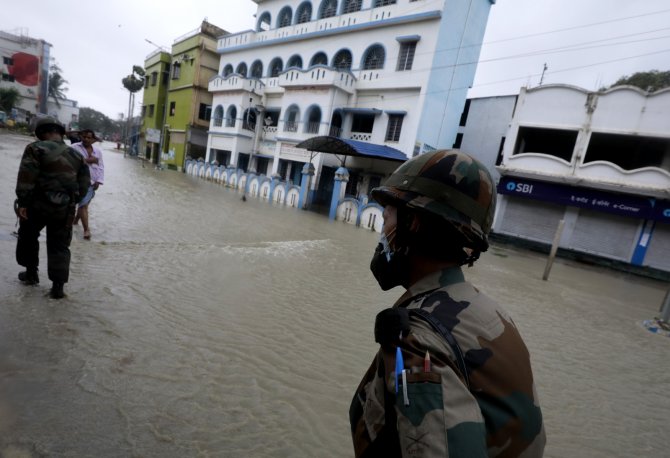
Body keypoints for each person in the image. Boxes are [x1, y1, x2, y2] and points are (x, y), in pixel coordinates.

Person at [349, 150, 545, 457]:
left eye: (387, 217)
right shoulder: (491, 313)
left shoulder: (416, 342)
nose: (382, 233)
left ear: (412, 222)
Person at [15, 117, 90, 299]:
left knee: (28, 237)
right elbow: (85, 185)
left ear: (40, 132)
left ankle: (31, 274)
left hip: (36, 205)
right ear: (61, 132)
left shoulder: (34, 148)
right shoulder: (78, 156)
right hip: (64, 209)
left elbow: (26, 176)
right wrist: (70, 201)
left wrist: (23, 202)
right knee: (60, 246)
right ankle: (57, 289)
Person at [70, 128, 104, 240]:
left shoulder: (97, 152)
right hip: (78, 181)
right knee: (83, 205)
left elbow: (101, 167)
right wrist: (89, 160)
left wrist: (99, 181)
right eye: (84, 137)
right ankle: (86, 230)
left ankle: (75, 220)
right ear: (81, 137)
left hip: (92, 182)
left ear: (92, 139)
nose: (86, 139)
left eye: (89, 137)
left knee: (84, 204)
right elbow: (70, 162)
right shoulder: (74, 147)